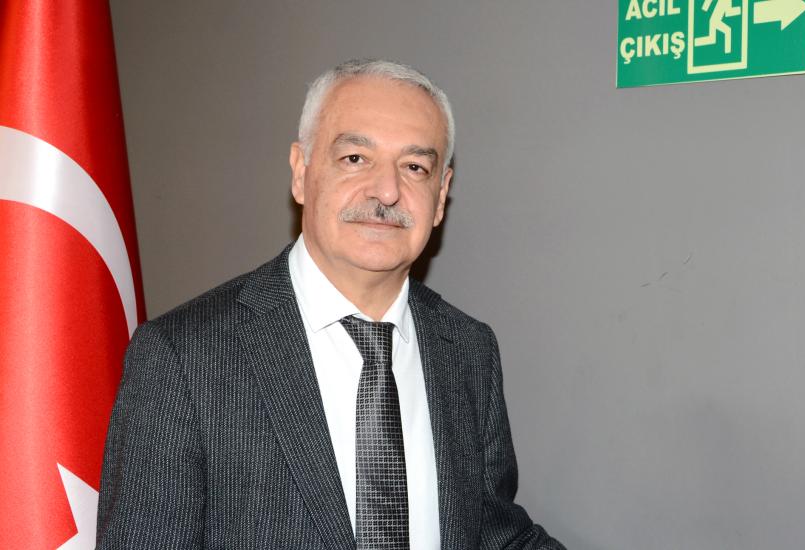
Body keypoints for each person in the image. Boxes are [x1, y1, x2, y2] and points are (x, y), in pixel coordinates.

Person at [96, 59, 565, 550]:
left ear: (441, 193)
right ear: (301, 173)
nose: (387, 191)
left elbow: (496, 537)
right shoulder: (182, 356)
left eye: (414, 167)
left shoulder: (469, 350)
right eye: (355, 158)